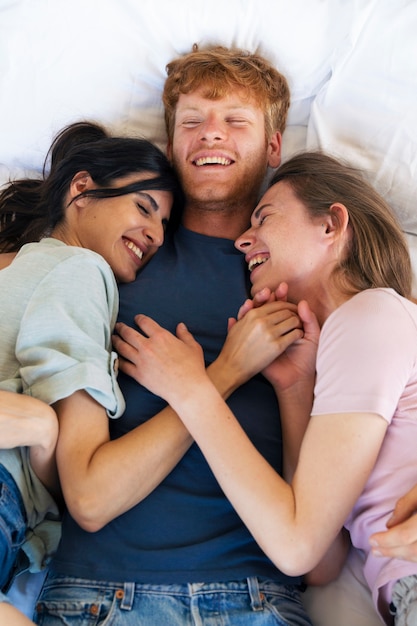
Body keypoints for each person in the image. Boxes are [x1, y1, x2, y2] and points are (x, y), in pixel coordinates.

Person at [34, 45, 316, 626]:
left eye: (235, 120)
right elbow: (85, 497)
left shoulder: (302, 273)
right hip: (99, 595)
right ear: (172, 147)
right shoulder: (112, 262)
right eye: (192, 122)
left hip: (256, 598)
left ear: (273, 146)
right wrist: (223, 372)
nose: (211, 135)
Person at [123, 151, 417, 625]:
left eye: (265, 217)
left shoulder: (372, 314)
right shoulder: (349, 346)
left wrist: (194, 390)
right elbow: (321, 562)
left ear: (331, 225)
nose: (243, 239)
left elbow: (296, 547)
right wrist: (296, 388)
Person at [0, 120, 181, 620]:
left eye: (165, 225)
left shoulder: (13, 264)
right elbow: (79, 480)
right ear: (82, 190)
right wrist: (40, 428)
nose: (155, 235)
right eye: (144, 208)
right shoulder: (81, 269)